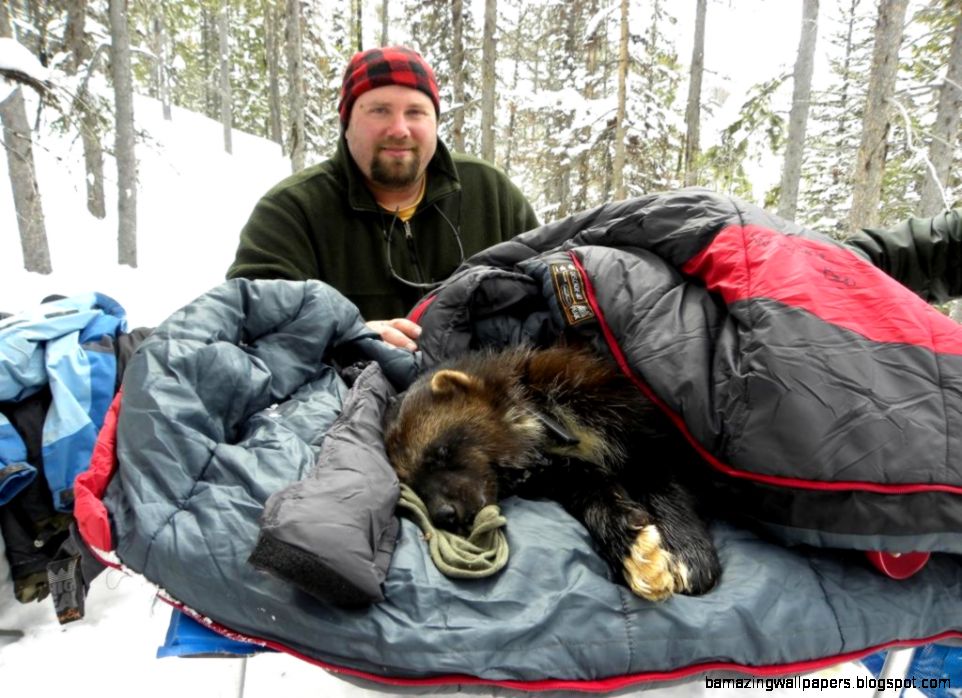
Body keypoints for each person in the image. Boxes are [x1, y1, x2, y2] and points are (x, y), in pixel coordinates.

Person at [227, 46, 540, 351]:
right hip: (346, 394)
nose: (399, 129)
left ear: (435, 123)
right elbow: (249, 322)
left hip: (482, 392)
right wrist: (347, 333)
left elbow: (545, 282)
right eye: (380, 111)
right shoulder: (292, 211)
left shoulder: (489, 191)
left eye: (416, 112)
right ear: (347, 122)